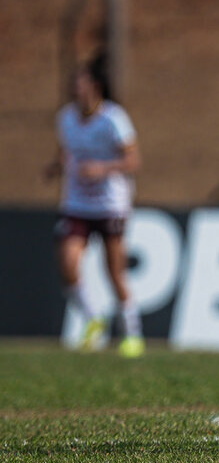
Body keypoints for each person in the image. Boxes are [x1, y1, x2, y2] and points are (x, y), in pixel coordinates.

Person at [43, 52, 144, 358]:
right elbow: (67, 152)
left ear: (95, 86)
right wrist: (55, 166)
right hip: (76, 203)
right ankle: (93, 318)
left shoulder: (114, 119)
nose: (75, 87)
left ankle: (132, 334)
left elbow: (133, 160)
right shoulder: (66, 118)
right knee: (68, 264)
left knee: (114, 272)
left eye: (81, 81)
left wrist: (100, 169)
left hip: (110, 205)